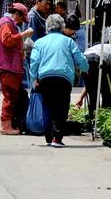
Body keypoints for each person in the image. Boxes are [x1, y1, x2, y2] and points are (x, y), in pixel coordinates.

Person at [30, 14, 89, 147]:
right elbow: (79, 58)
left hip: (45, 78)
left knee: (47, 107)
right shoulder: (68, 41)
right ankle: (57, 139)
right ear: (62, 26)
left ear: (47, 27)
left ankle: (48, 138)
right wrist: (86, 68)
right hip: (64, 79)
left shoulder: (40, 42)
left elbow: (34, 62)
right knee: (61, 108)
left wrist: (34, 79)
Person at [0, 3, 34, 135]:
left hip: (10, 66)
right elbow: (7, 40)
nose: (21, 22)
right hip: (7, 66)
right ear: (17, 14)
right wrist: (24, 35)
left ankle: (10, 124)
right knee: (10, 97)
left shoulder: (9, 23)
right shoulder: (6, 23)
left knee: (14, 96)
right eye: (21, 18)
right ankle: (5, 126)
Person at [75, 42, 111, 118]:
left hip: (85, 60)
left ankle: (92, 118)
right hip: (99, 61)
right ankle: (105, 118)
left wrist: (80, 98)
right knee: (107, 95)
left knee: (93, 94)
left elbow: (89, 85)